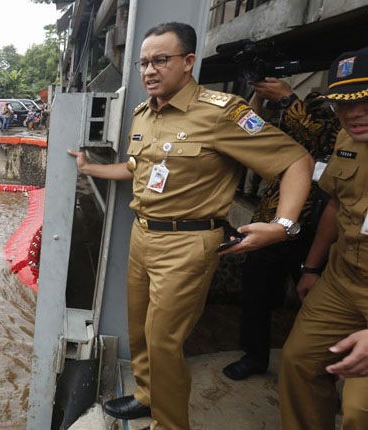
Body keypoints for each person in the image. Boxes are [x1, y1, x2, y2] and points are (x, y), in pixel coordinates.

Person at [68, 22, 313, 429]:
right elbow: (138, 167)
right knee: (141, 334)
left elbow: (295, 160)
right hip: (143, 236)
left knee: (164, 342)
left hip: (189, 244)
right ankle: (148, 396)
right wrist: (90, 167)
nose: (149, 70)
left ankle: (169, 425)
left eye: (160, 60)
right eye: (144, 62)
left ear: (188, 62)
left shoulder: (220, 113)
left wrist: (283, 225)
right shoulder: (145, 113)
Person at [222, 79, 340, 381]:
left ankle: (319, 370)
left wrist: (289, 98)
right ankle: (254, 356)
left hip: (318, 230)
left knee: (317, 303)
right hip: (272, 223)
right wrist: (258, 97)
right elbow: (249, 129)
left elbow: (314, 132)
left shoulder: (337, 123)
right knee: (256, 292)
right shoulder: (290, 121)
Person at [278, 46, 368, 430]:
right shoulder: (346, 142)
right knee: (298, 362)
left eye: (365, 99)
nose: (353, 113)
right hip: (343, 280)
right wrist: (311, 268)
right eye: (343, 104)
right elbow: (334, 206)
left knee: (358, 410)